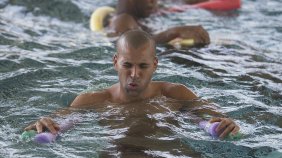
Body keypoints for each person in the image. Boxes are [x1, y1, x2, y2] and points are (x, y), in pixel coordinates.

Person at [24, 29, 239, 139]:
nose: (134, 74)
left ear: (155, 65)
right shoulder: (92, 100)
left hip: (175, 154)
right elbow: (58, 121)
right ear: (115, 62)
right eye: (128, 64)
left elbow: (215, 115)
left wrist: (228, 123)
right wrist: (43, 124)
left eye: (143, 66)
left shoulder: (175, 93)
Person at [102, 0, 210, 46]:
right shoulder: (122, 20)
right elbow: (128, 45)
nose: (155, 1)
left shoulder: (143, 12)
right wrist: (173, 32)